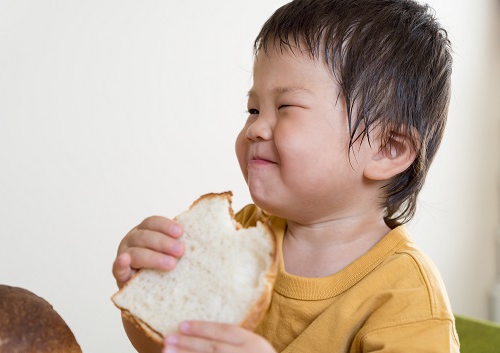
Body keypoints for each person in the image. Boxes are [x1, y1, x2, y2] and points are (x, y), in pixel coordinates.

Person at [112, 0, 459, 352]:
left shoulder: (407, 296)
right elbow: (177, 346)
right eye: (253, 109)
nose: (255, 128)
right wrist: (144, 295)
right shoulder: (245, 234)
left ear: (388, 149)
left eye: (285, 107)